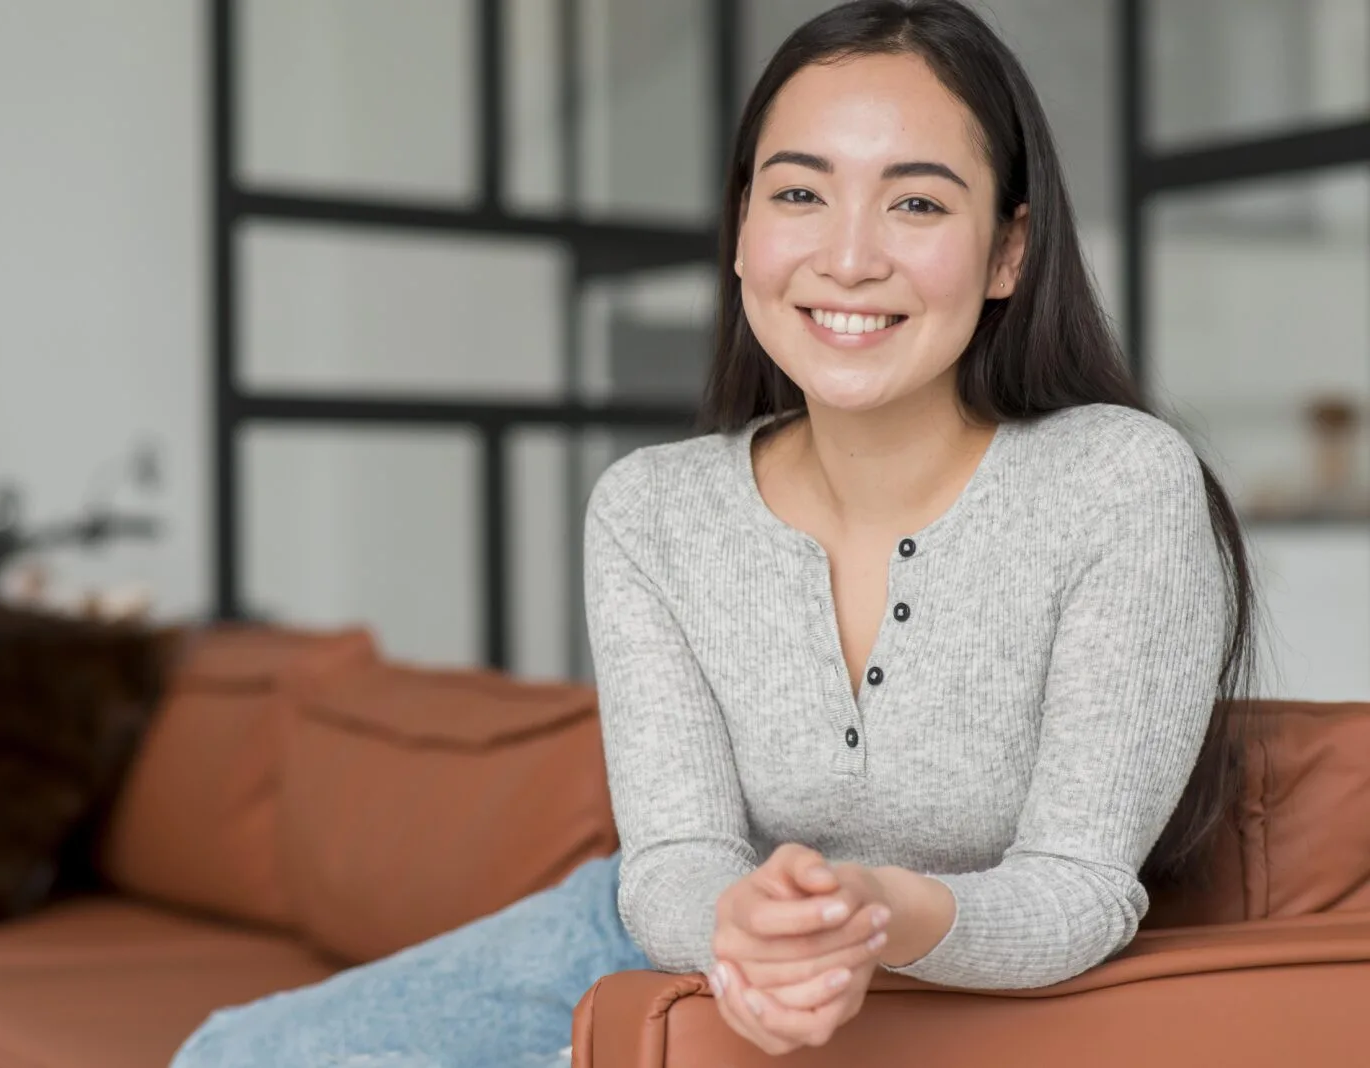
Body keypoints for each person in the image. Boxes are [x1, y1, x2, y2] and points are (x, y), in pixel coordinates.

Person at [170, 0, 1255, 1063]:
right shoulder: (653, 509)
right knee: (233, 1053)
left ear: (1008, 252)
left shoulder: (1116, 483)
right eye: (798, 194)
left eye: (916, 205)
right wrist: (741, 925)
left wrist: (868, 914)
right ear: (743, 232)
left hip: (949, 982)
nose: (847, 257)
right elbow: (673, 861)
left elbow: (1076, 890)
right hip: (654, 953)